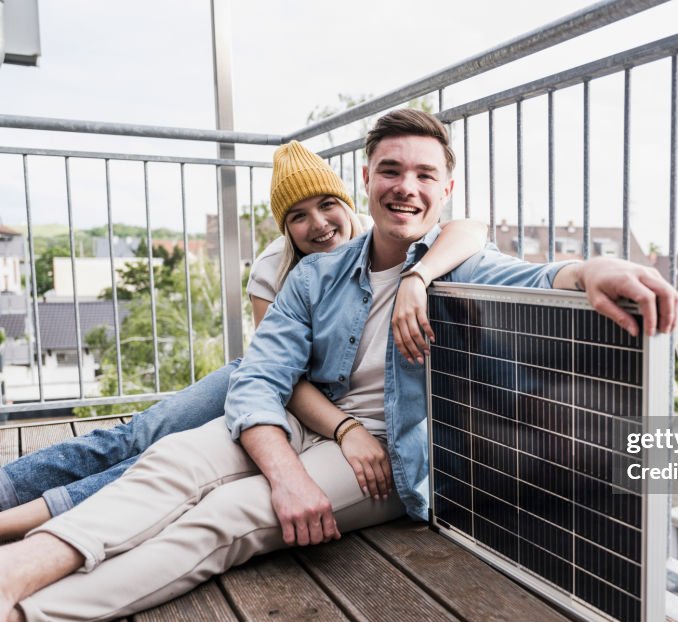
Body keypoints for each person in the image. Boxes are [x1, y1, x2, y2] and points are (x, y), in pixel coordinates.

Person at [0, 110, 676, 622]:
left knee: (227, 515)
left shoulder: (461, 266)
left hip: (392, 456)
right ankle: (16, 572)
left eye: (423, 174)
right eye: (390, 170)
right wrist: (291, 469)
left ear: (445, 189)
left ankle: (27, 621)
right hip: (308, 425)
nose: (405, 186)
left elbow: (533, 276)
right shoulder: (317, 274)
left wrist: (591, 273)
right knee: (171, 459)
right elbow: (260, 381)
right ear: (368, 179)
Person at [0, 139, 486, 540]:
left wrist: (416, 278)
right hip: (273, 389)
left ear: (350, 200)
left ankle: (31, 522)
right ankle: (9, 490)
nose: (317, 224)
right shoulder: (278, 266)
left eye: (327, 205)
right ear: (285, 227)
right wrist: (343, 429)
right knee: (143, 434)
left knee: (159, 460)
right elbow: (275, 373)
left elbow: (470, 229)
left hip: (320, 409)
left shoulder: (401, 244)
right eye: (298, 216)